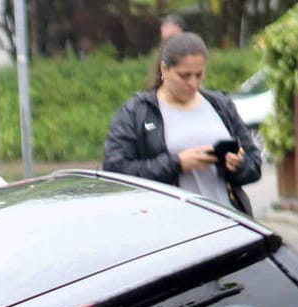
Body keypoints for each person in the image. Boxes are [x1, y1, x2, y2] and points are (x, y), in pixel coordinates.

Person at [105, 32, 262, 215]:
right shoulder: (136, 112)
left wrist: (238, 165)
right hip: (173, 228)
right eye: (184, 76)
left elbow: (254, 166)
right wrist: (177, 163)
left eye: (199, 75)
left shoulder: (220, 105)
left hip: (227, 222)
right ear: (164, 70)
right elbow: (115, 172)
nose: (193, 83)